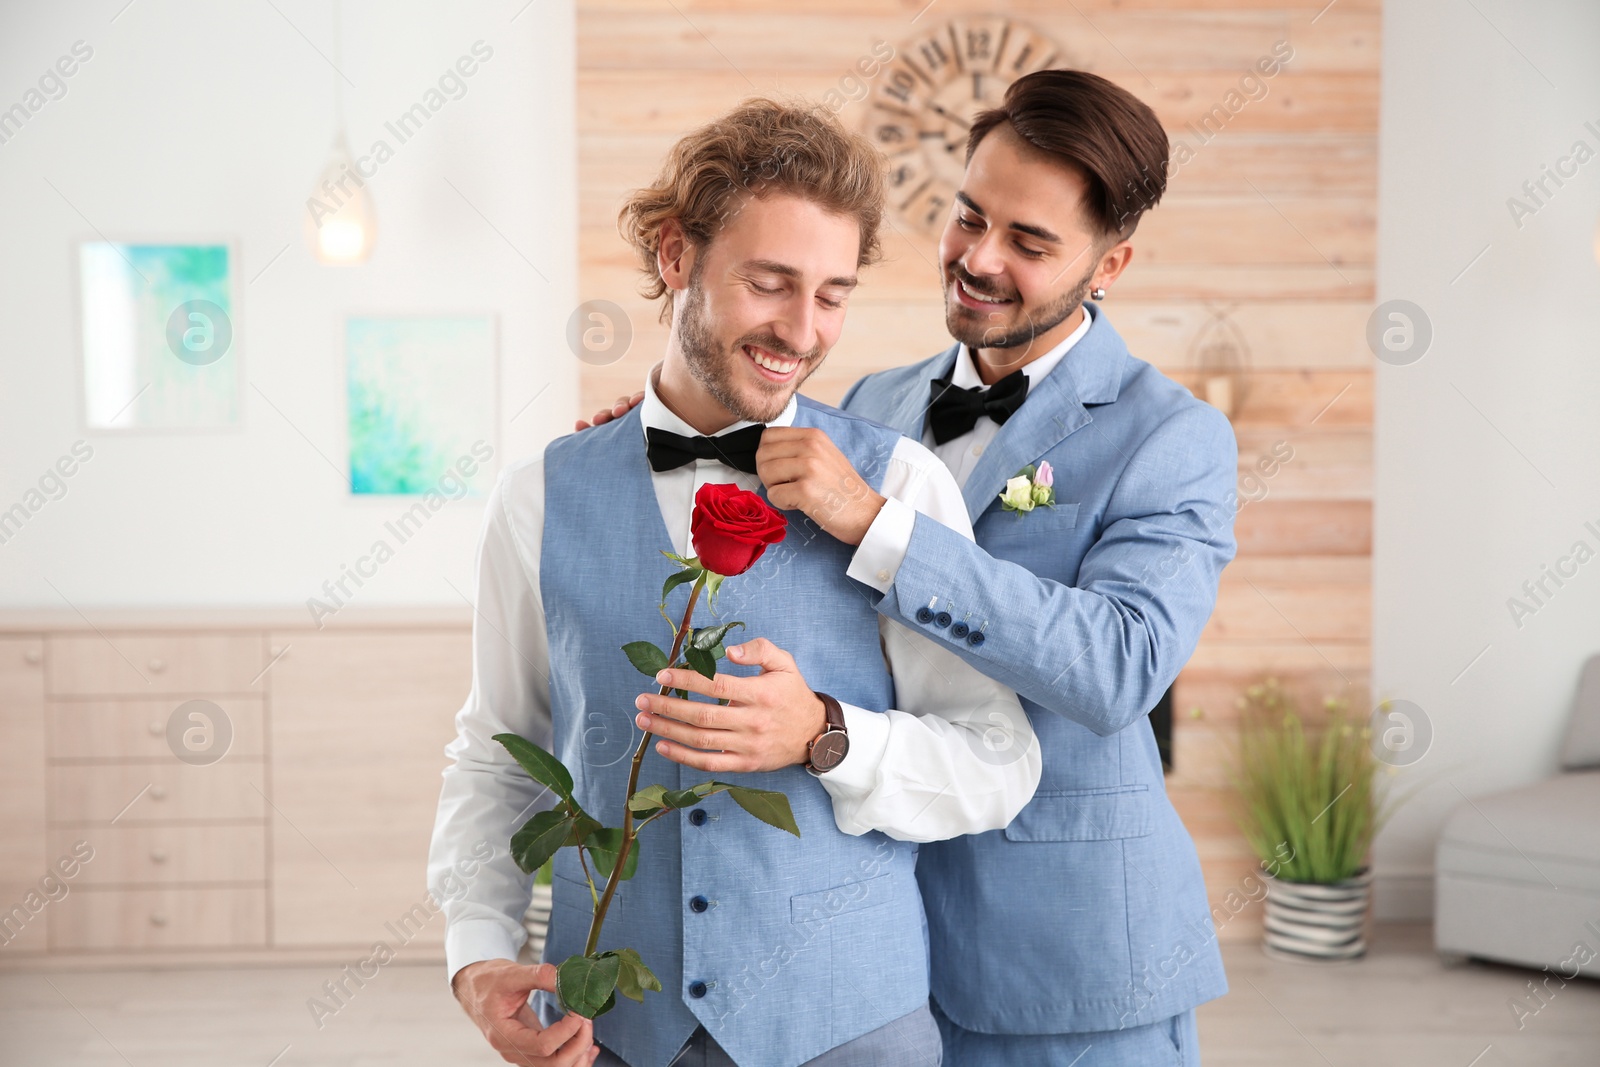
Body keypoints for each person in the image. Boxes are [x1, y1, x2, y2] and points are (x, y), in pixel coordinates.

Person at [584, 70, 1236, 1066]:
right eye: (970, 216)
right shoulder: (870, 404)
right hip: (869, 971)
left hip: (1074, 968)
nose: (978, 259)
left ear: (1110, 264)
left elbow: (1119, 666)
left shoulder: (1173, 439)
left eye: (1029, 241)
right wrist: (642, 442)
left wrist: (881, 524)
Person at [428, 98, 1039, 1067]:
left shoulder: (898, 486)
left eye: (832, 294)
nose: (802, 330)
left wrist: (826, 733)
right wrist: (476, 954)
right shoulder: (537, 496)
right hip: (608, 1028)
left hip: (852, 1027)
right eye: (769, 282)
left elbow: (998, 758)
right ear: (676, 257)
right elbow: (500, 750)